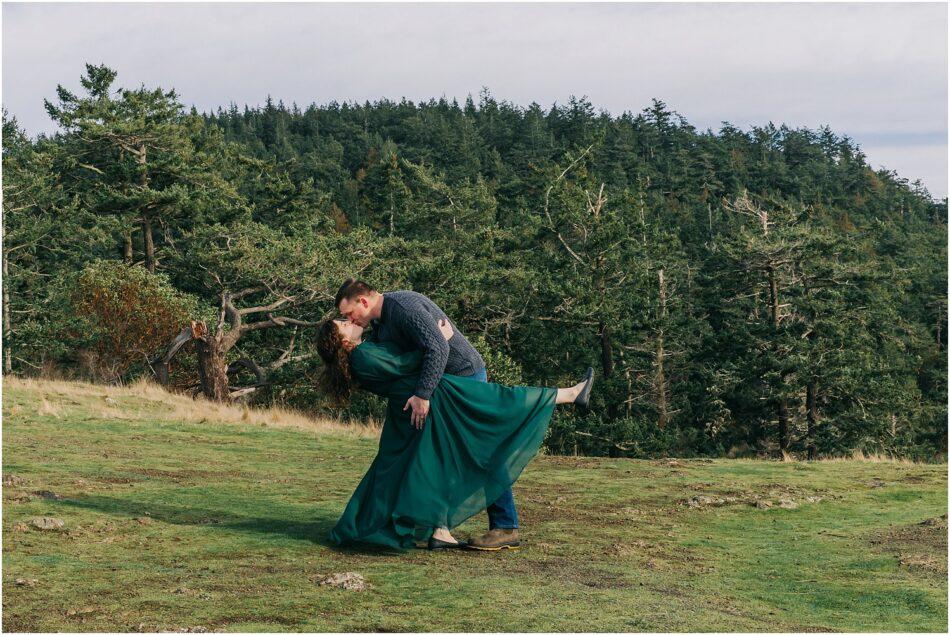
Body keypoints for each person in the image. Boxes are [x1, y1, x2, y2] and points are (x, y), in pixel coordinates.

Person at [316, 310, 593, 552]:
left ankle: (440, 531)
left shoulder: (364, 353)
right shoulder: (362, 355)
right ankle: (569, 394)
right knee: (500, 402)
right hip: (435, 399)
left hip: (422, 405)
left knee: (436, 464)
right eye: (342, 323)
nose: (348, 320)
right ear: (343, 341)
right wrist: (439, 337)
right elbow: (405, 364)